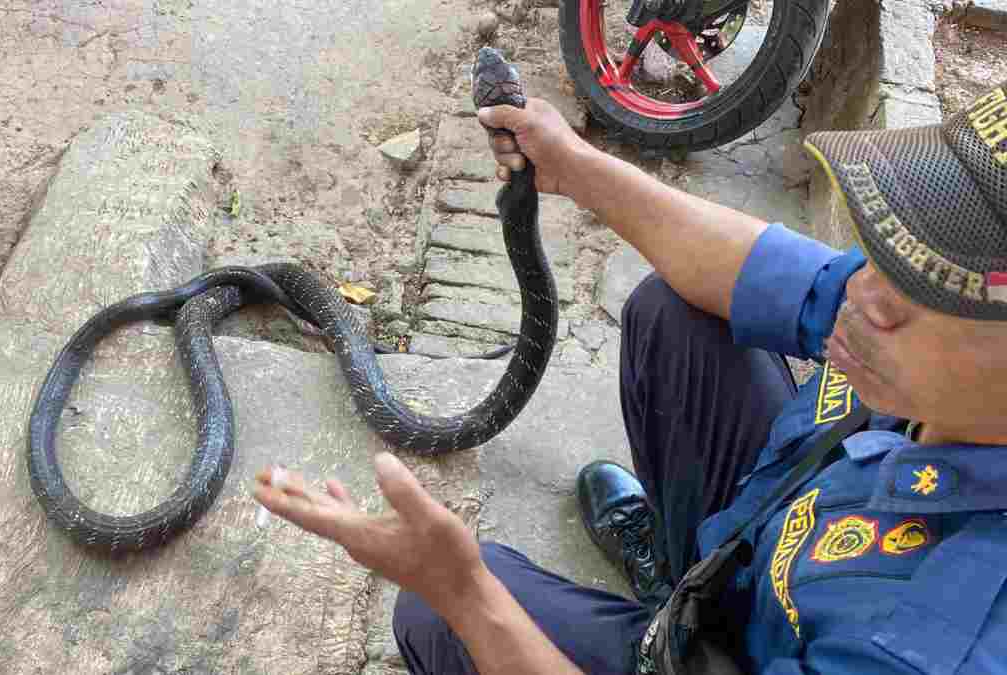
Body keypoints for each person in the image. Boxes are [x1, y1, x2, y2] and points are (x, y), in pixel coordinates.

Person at [253, 79, 1007, 674]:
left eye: (919, 290)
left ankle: (667, 634)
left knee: (434, 614)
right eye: (887, 256)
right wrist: (573, 166)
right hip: (775, 545)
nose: (863, 291)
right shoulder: (930, 346)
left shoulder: (937, 644)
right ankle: (683, 589)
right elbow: (762, 271)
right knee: (673, 313)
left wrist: (466, 593)